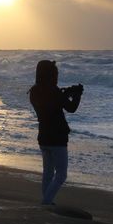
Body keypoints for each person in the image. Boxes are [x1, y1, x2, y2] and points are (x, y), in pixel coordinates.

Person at [28, 59, 83, 206]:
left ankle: (47, 202)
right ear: (50, 75)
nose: (57, 76)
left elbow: (53, 104)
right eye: (55, 73)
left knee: (48, 172)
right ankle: (46, 202)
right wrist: (77, 95)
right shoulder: (54, 92)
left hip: (44, 137)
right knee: (61, 175)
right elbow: (71, 108)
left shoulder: (34, 91)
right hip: (57, 138)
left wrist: (66, 93)